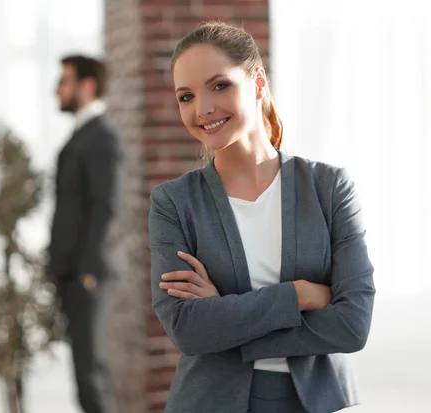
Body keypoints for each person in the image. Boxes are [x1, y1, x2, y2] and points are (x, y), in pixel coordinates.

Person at [149, 22, 375, 413]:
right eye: (186, 96)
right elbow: (188, 329)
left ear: (256, 84)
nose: (202, 109)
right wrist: (300, 295)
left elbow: (353, 324)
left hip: (316, 402)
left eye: (219, 85)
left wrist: (227, 319)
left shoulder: (329, 188)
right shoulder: (174, 202)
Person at [47, 55, 123, 413]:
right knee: (83, 370)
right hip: (72, 273)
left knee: (91, 372)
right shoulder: (82, 134)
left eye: (64, 81)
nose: (57, 89)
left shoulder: (101, 138)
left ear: (87, 85)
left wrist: (89, 270)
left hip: (85, 275)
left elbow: (107, 206)